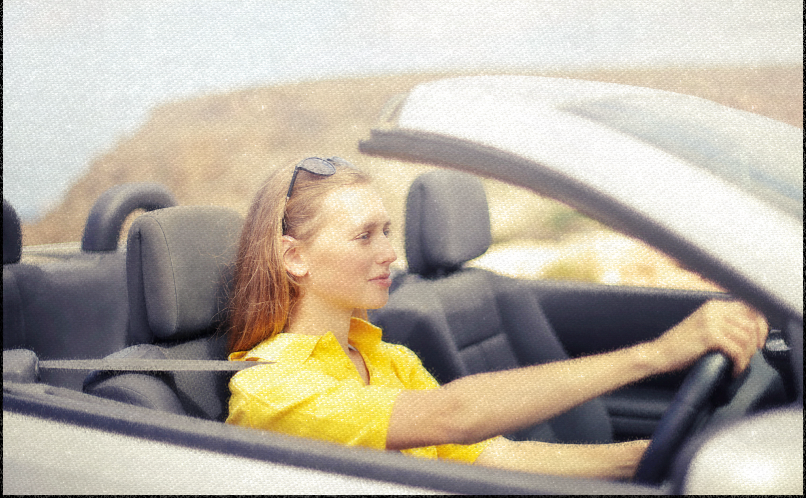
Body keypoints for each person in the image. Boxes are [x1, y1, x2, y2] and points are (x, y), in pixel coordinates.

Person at [225, 157, 768, 480]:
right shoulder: (271, 387)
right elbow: (453, 416)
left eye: (387, 231)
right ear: (294, 257)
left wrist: (654, 458)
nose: (390, 253)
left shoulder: (389, 359)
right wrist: (656, 355)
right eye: (364, 236)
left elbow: (493, 456)